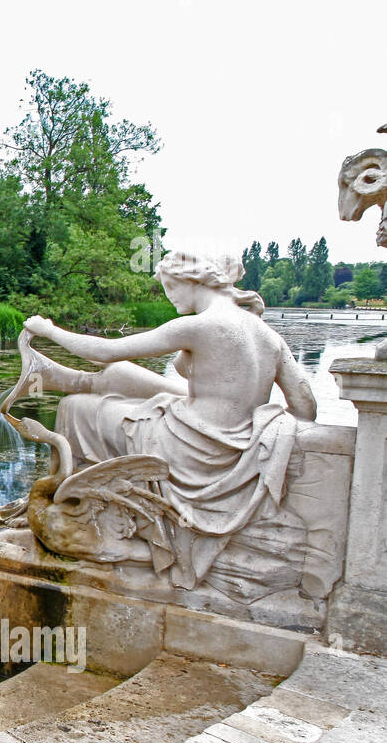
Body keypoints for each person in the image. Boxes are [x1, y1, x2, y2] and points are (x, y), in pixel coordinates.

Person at [19, 251, 316, 590]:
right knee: (135, 390)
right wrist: (262, 430)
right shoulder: (268, 336)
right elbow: (305, 405)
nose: (169, 297)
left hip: (187, 447)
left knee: (75, 409)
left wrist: (49, 330)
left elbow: (105, 351)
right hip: (232, 448)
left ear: (192, 280)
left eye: (171, 287)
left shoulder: (199, 326)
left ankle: (75, 508)